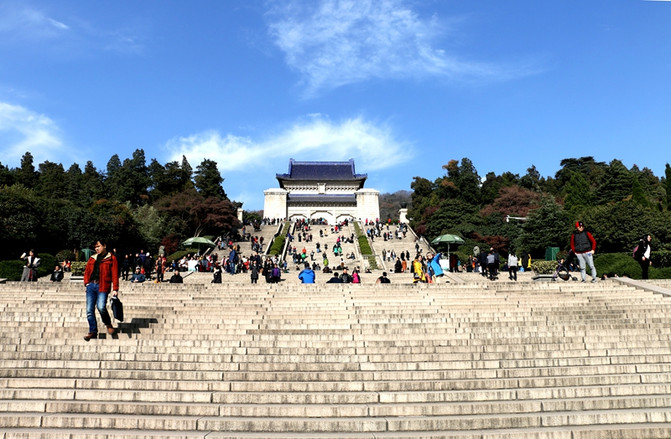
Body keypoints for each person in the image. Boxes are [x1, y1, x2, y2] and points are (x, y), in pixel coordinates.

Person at [83, 240, 119, 341]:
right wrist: (86, 283)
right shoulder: (92, 258)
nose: (97, 249)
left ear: (104, 246)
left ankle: (108, 324)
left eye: (98, 246)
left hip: (103, 286)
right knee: (89, 310)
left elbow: (115, 274)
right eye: (95, 247)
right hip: (91, 286)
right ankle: (93, 331)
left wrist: (115, 289)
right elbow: (87, 272)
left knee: (101, 306)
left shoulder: (111, 258)